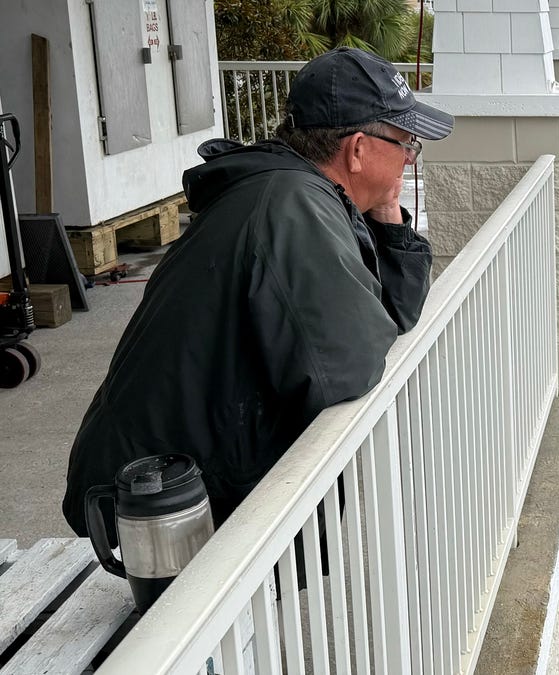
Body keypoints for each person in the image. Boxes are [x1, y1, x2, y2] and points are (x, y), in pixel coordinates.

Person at [62, 47, 454, 536]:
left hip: (172, 478)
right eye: (405, 142)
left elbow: (391, 313)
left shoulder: (302, 191)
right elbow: (348, 368)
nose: (410, 157)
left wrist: (388, 212)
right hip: (158, 496)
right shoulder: (293, 212)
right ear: (357, 150)